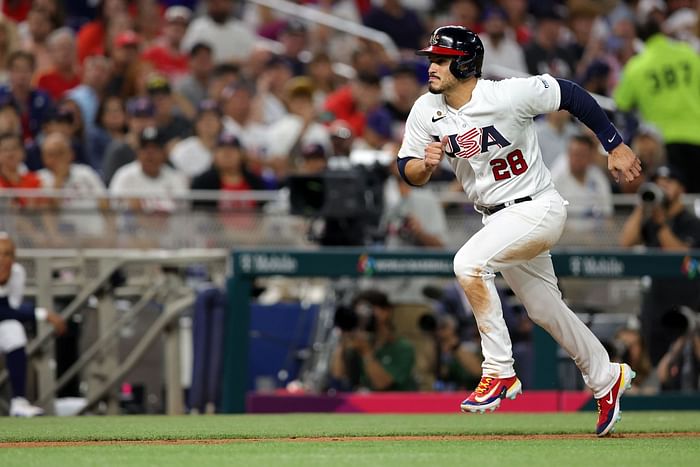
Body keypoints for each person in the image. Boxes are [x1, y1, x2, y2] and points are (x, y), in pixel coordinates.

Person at [398, 26, 641, 437]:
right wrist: (425, 164)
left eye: (441, 59)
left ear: (465, 63)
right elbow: (408, 170)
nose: (432, 66)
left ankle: (499, 372)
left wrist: (613, 144)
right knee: (545, 309)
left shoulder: (506, 94)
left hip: (537, 207)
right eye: (432, 58)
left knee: (468, 265)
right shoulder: (426, 110)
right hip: (496, 217)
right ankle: (606, 377)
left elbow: (570, 93)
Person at [619, 165, 700, 366]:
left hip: (685, 310)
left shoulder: (691, 222)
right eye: (658, 184)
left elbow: (682, 257)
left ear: (682, 189)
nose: (662, 188)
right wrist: (642, 206)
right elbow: (625, 242)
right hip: (655, 308)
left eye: (668, 183)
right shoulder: (651, 220)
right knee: (655, 368)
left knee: (680, 372)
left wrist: (661, 224)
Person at [613, 16, 700, 193]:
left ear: (639, 38)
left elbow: (620, 102)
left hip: (664, 141)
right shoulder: (688, 53)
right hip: (696, 134)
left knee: (674, 197)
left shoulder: (636, 66)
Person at [0, 232, 66, 416]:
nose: (3, 260)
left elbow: (11, 310)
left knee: (13, 329)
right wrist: (43, 314)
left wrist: (31, 314)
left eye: (8, 254)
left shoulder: (17, 273)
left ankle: (19, 402)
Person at [330, 289, 417, 392]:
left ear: (386, 311)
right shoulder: (357, 343)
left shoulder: (402, 347)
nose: (364, 318)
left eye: (367, 311)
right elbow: (338, 374)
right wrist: (343, 342)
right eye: (359, 313)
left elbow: (382, 384)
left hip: (397, 405)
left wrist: (366, 353)